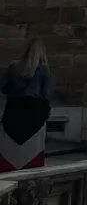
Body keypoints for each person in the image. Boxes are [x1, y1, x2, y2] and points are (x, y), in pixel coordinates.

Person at [0, 39, 52, 171]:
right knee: (32, 151)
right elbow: (46, 95)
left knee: (9, 148)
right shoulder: (44, 69)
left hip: (14, 108)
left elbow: (4, 88)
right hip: (35, 111)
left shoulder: (13, 67)